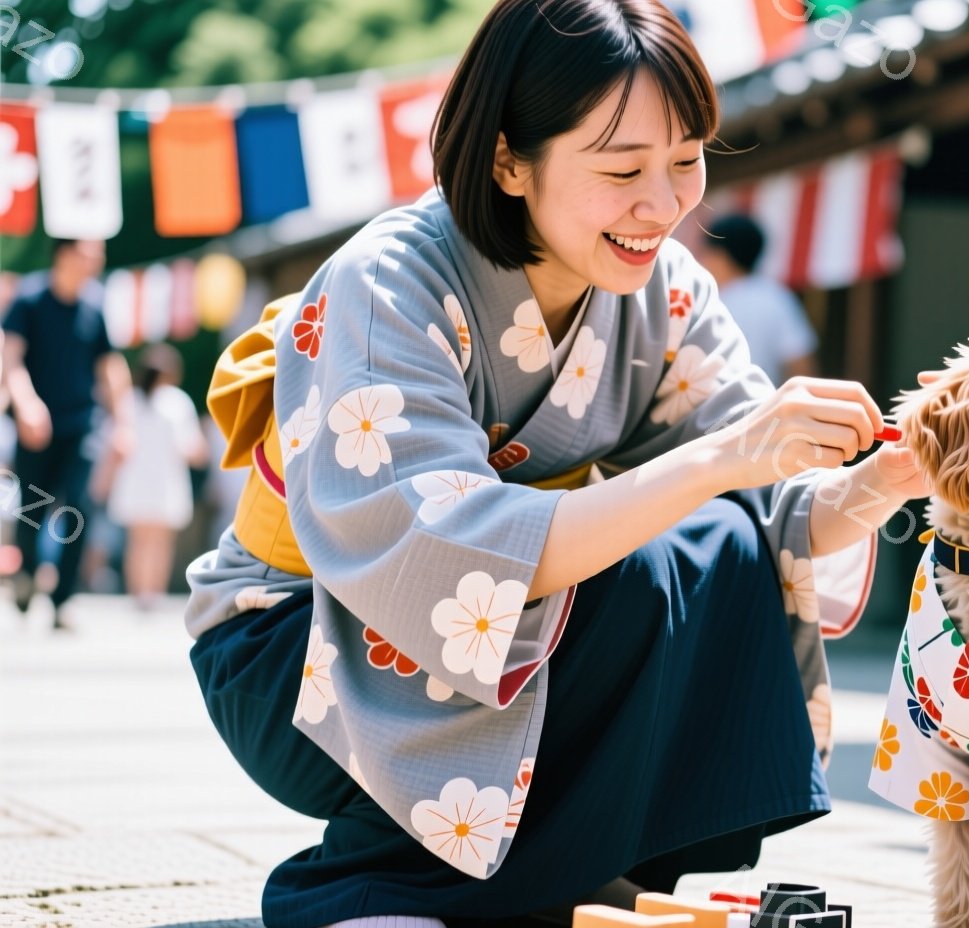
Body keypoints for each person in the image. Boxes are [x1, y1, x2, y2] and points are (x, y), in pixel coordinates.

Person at [183, 2, 930, 926]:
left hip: (480, 641)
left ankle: (565, 876)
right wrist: (721, 460)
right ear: (508, 159)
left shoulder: (666, 292)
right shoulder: (387, 281)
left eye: (686, 161)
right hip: (298, 645)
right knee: (652, 556)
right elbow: (438, 563)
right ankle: (366, 890)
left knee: (723, 546)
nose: (663, 205)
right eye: (622, 170)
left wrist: (883, 483)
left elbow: (773, 514)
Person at [2, 238, 133, 629]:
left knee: (79, 505)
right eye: (89, 253)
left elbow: (109, 366)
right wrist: (26, 404)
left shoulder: (95, 305)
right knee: (32, 508)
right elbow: (11, 359)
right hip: (36, 426)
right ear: (64, 254)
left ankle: (63, 599)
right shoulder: (29, 299)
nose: (96, 262)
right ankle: (27, 573)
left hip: (83, 426)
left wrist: (122, 423)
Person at [105, 344, 207, 610]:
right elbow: (192, 448)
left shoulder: (129, 401)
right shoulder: (177, 403)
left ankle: (137, 593)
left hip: (135, 481)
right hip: (166, 482)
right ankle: (153, 594)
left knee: (137, 542)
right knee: (160, 543)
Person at [693, 213, 820, 384]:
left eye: (705, 252)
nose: (701, 260)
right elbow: (801, 366)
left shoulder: (706, 300)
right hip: (765, 398)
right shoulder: (777, 298)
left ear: (721, 256)